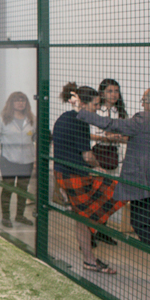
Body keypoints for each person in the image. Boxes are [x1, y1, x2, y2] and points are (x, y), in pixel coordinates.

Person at [75, 85, 150, 291]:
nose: (143, 105)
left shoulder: (145, 118)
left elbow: (111, 124)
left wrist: (81, 111)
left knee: (140, 224)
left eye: (144, 101)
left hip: (148, 187)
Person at [51, 83, 124, 274]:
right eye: (95, 104)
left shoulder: (64, 117)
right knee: (116, 192)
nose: (97, 108)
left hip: (62, 173)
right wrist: (100, 168)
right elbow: (87, 156)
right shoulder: (80, 122)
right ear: (83, 104)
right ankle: (90, 260)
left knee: (82, 217)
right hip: (75, 176)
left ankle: (89, 256)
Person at [89, 79, 130, 245]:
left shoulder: (121, 113)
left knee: (110, 196)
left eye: (116, 91)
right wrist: (107, 137)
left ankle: (102, 231)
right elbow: (90, 134)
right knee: (95, 195)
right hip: (97, 157)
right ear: (102, 93)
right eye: (110, 91)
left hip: (114, 158)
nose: (114, 94)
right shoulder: (96, 110)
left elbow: (127, 136)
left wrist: (116, 137)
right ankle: (89, 233)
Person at [0, 91, 36, 228]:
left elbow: (35, 136)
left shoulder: (32, 119)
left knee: (23, 188)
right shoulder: (2, 119)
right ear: (11, 103)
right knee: (8, 187)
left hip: (27, 161)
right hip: (8, 160)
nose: (20, 103)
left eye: (23, 100)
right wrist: (7, 146)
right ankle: (6, 217)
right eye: (17, 100)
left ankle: (20, 216)